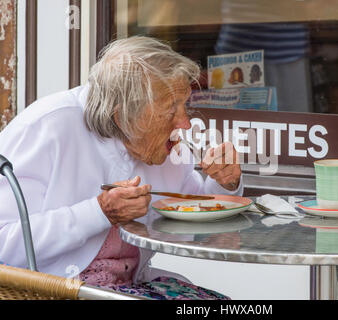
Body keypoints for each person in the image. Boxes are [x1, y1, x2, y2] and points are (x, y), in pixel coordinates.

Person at [0, 36, 243, 300]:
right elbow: (4, 243)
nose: (185, 123)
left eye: (184, 105)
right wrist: (99, 211)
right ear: (123, 116)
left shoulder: (162, 147)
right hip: (55, 290)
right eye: (170, 109)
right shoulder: (45, 129)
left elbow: (195, 220)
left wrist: (223, 182)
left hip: (129, 287)